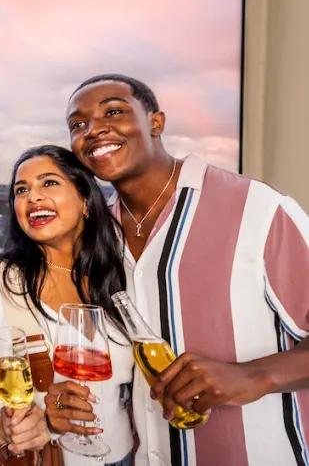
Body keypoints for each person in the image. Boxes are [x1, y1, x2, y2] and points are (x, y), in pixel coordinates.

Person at [67, 73, 309, 465]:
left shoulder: (257, 208)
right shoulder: (96, 238)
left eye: (113, 111)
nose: (94, 130)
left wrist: (254, 376)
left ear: (156, 122)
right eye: (78, 125)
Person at [0, 145, 135, 466]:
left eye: (49, 183)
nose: (33, 197)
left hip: (121, 456)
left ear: (85, 200)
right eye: (21, 189)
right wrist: (39, 417)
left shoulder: (118, 280)